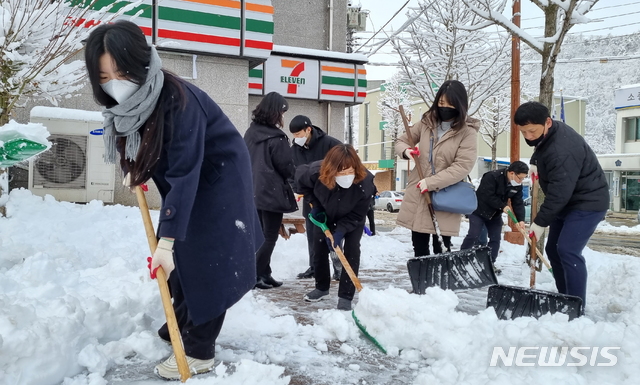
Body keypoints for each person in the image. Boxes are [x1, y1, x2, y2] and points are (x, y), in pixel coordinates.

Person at [84, 21, 263, 380]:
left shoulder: (179, 101)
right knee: (182, 257)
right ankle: (179, 321)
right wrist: (136, 168)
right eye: (104, 77)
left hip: (219, 181)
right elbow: (149, 146)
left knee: (207, 262)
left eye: (120, 73)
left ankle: (198, 351)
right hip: (188, 181)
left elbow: (184, 170)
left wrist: (166, 240)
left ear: (141, 64)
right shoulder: (134, 104)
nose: (114, 84)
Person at [514, 101, 609, 306]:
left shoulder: (562, 150)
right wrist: (534, 162)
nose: (528, 137)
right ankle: (564, 297)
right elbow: (541, 146)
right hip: (567, 202)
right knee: (553, 250)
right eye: (524, 132)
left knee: (567, 250)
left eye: (532, 131)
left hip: (588, 202)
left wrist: (539, 223)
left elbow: (559, 194)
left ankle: (575, 304)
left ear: (547, 122)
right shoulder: (552, 131)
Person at [394, 80, 479, 257]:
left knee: (441, 247)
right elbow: (401, 141)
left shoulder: (467, 131)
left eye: (450, 104)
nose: (445, 108)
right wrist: (406, 151)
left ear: (460, 105)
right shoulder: (427, 123)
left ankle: (440, 283)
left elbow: (462, 166)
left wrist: (431, 183)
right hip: (419, 194)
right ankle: (422, 282)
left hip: (447, 194)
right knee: (419, 245)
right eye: (441, 103)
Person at [294, 144, 376, 311]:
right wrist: (315, 205)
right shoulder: (315, 172)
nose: (346, 176)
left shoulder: (365, 182)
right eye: (340, 172)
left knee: (352, 251)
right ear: (331, 170)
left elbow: (357, 216)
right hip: (325, 214)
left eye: (349, 171)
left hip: (352, 218)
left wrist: (339, 232)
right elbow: (301, 184)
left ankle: (346, 296)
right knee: (319, 247)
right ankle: (321, 288)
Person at [244, 92, 298, 290]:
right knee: (270, 236)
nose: (283, 117)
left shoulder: (250, 133)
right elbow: (286, 166)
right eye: (283, 112)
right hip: (272, 191)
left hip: (253, 190)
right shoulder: (277, 137)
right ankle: (255, 275)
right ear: (276, 112)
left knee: (259, 235)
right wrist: (298, 181)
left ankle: (265, 274)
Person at [289, 115, 342, 279]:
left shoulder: (331, 144)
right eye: (294, 135)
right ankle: (314, 267)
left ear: (308, 129)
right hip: (310, 199)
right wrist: (297, 188)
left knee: (332, 235)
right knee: (312, 236)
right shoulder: (294, 150)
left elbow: (344, 165)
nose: (296, 138)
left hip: (331, 198)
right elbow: (292, 172)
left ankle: (339, 267)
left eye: (298, 134)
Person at [460, 161, 529, 270]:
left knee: (495, 238)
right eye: (520, 178)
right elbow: (488, 195)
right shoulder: (492, 177)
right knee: (474, 235)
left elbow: (518, 202)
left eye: (523, 179)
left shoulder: (517, 186)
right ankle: (461, 259)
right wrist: (502, 206)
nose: (521, 181)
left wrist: (521, 220)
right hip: (479, 211)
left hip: (495, 215)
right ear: (512, 173)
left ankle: (490, 264)